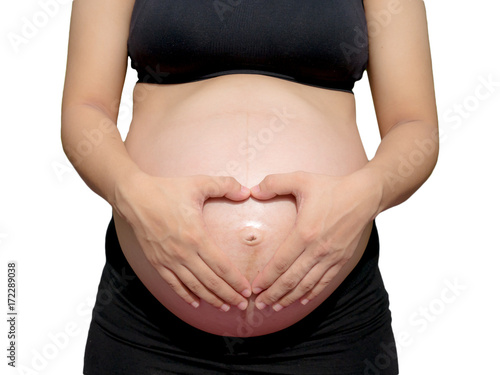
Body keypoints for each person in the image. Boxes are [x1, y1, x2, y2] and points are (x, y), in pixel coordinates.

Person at [61, 0, 438, 373]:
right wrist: (132, 193)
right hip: (149, 327)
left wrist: (366, 194)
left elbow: (414, 125)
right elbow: (86, 107)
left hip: (333, 325)